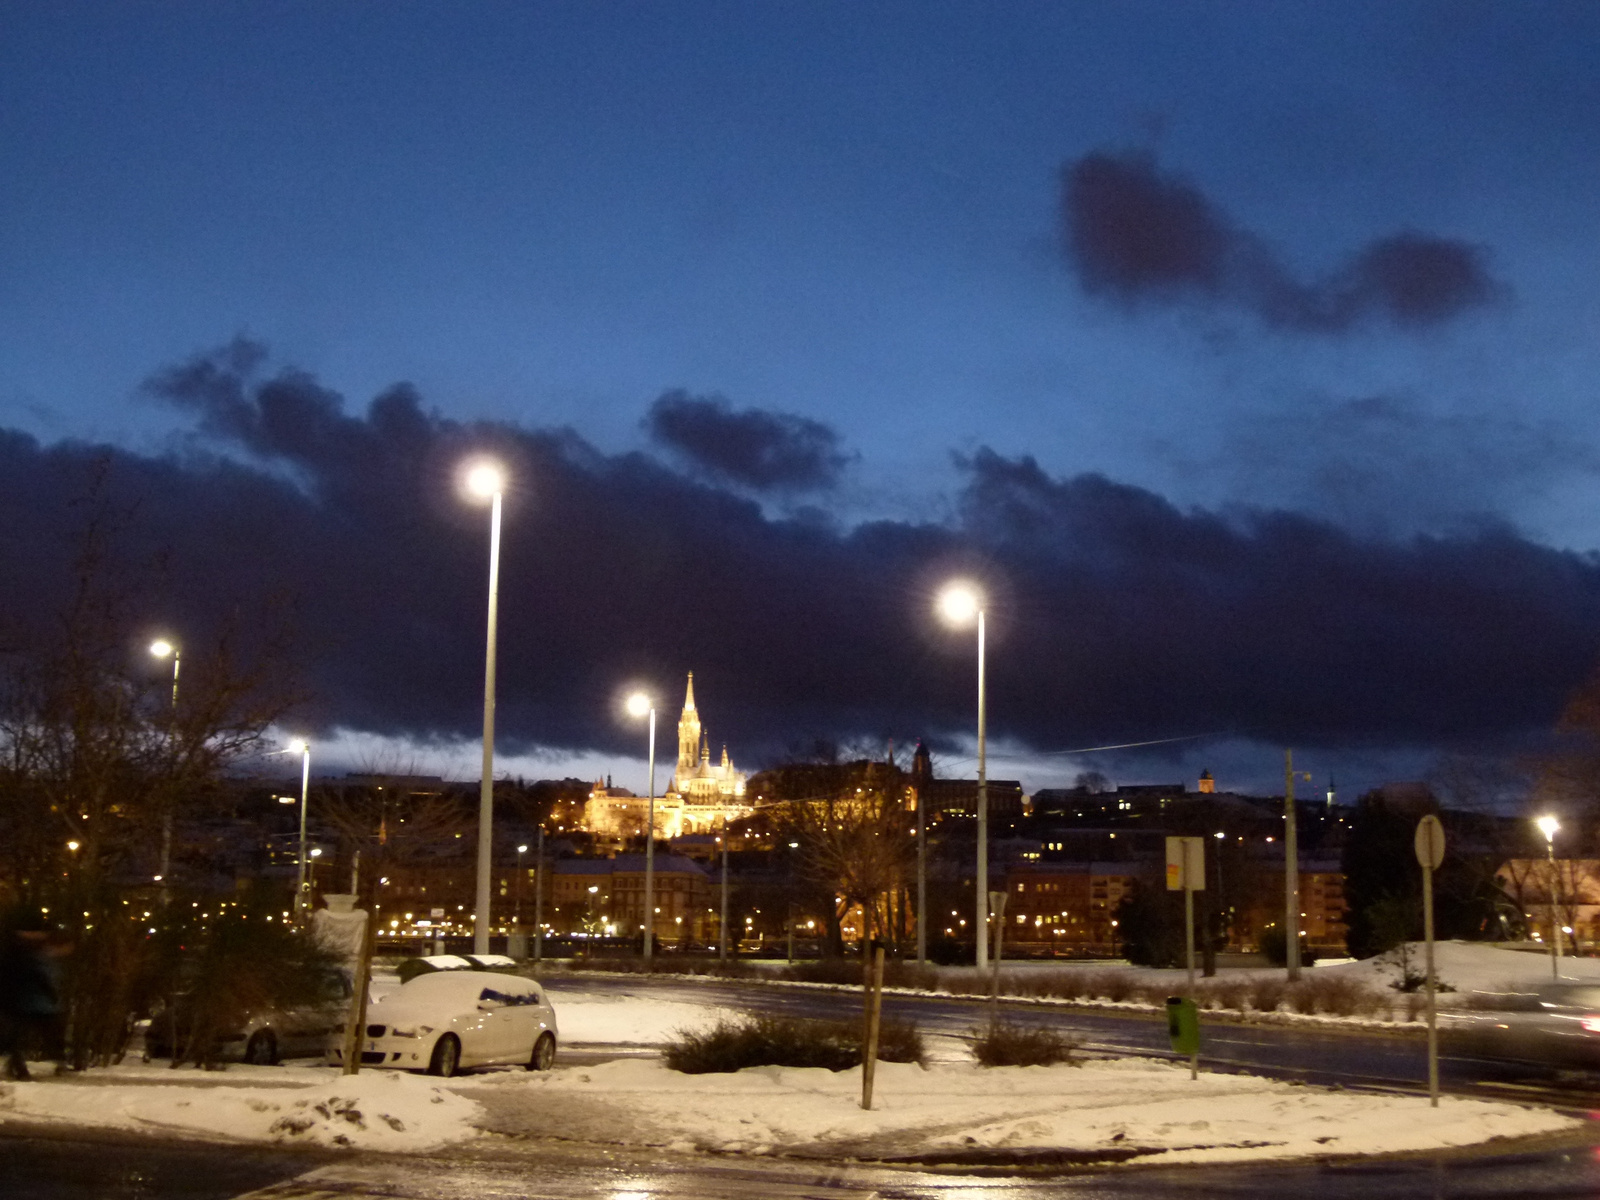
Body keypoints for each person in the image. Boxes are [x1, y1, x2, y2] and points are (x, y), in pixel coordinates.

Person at [0, 912, 65, 1080]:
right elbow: (32, 972)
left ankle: (18, 1067)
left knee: (16, 1035)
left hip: (23, 999)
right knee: (19, 1034)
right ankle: (20, 1067)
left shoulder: (21, 947)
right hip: (25, 999)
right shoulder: (23, 950)